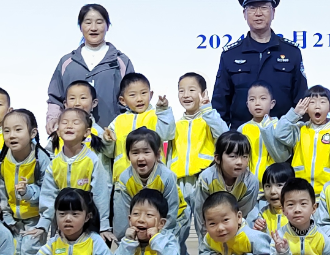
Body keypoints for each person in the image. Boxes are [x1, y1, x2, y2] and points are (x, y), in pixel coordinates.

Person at [212, 0, 308, 129]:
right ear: (244, 14)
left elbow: (301, 100)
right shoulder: (230, 55)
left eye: (264, 7)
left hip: (282, 137)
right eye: (252, 8)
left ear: (273, 12)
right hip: (241, 138)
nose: (258, 13)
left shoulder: (291, 52)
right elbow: (220, 104)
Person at [0, 109, 50, 255]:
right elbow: (0, 191)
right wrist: (6, 218)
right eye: (7, 131)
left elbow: (49, 191)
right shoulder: (2, 159)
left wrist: (28, 192)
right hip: (12, 220)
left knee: (32, 252)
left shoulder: (41, 158)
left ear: (32, 133)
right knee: (14, 253)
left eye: (18, 130)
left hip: (36, 218)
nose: (12, 135)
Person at [46, 3, 134, 131]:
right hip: (74, 136)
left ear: (107, 26)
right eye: (88, 22)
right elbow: (55, 98)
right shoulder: (67, 62)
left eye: (99, 22)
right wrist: (53, 119)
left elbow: (132, 97)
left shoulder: (121, 61)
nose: (93, 28)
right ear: (80, 26)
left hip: (113, 135)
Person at [111, 128, 187, 255]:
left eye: (146, 152)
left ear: (158, 155)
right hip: (145, 217)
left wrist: (161, 234)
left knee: (173, 250)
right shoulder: (124, 179)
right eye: (135, 153)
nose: (140, 158)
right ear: (128, 156)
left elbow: (172, 210)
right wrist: (124, 239)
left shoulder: (167, 176)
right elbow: (122, 213)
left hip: (176, 217)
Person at [37, 108, 112, 240]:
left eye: (75, 122)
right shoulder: (54, 164)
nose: (69, 126)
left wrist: (104, 226)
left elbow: (100, 194)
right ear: (58, 131)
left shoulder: (92, 161)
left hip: (87, 224)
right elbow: (48, 196)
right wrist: (43, 224)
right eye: (64, 122)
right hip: (62, 226)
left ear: (87, 132)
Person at [104, 72, 174, 181]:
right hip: (123, 179)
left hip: (154, 178)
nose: (139, 99)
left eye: (143, 93)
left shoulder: (156, 115)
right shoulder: (118, 121)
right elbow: (109, 153)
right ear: (123, 100)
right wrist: (107, 141)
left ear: (151, 95)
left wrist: (164, 111)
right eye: (133, 95)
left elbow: (168, 134)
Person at [170, 72, 229, 201]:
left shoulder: (209, 120)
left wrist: (207, 110)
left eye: (191, 90)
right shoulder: (175, 125)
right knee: (181, 214)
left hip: (204, 178)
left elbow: (224, 135)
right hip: (179, 181)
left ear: (203, 93)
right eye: (181, 91)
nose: (186, 95)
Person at [274, 85, 330, 193]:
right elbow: (279, 133)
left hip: (327, 191)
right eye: (312, 102)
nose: (317, 106)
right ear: (306, 108)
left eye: (322, 102)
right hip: (300, 189)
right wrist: (294, 114)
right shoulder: (300, 129)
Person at [192, 131, 260, 234]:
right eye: (233, 156)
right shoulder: (206, 178)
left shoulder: (251, 182)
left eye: (245, 156)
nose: (239, 162)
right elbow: (200, 212)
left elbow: (241, 215)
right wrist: (204, 239)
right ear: (218, 158)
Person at [237, 81, 290, 181]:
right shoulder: (242, 129)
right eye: (252, 99)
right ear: (247, 104)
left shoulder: (279, 127)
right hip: (246, 184)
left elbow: (282, 157)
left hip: (272, 183)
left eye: (263, 98)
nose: (257, 103)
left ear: (272, 104)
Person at [52, 81, 104, 151]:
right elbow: (50, 151)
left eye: (83, 98)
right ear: (65, 104)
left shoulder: (99, 132)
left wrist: (108, 142)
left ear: (94, 103)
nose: (77, 103)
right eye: (72, 98)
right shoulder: (59, 130)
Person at [252, 161, 294, 233]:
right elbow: (262, 237)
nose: (272, 191)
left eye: (279, 185)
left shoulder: (298, 212)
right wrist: (262, 229)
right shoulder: (263, 213)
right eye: (268, 186)